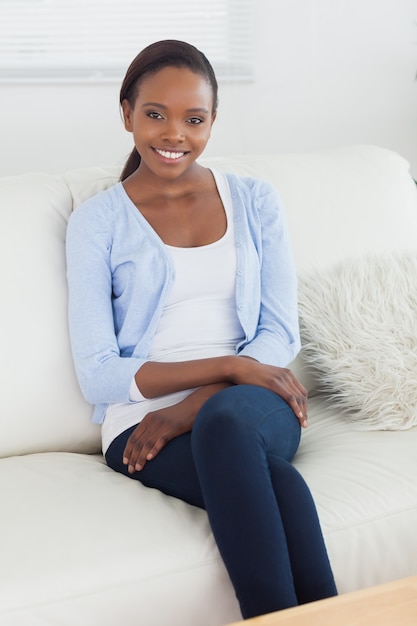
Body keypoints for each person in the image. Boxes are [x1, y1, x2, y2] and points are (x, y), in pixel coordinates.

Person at [66, 39, 337, 619]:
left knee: (223, 423)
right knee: (281, 489)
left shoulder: (255, 201)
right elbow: (97, 373)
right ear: (126, 114)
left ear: (213, 122)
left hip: (251, 403)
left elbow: (277, 330)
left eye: (194, 119)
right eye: (154, 114)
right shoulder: (97, 222)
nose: (174, 135)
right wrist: (230, 365)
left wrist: (195, 404)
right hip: (141, 424)